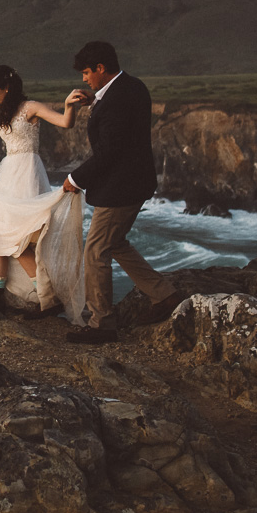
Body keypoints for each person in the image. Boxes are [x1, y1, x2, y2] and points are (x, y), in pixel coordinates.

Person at [0, 64, 90, 320]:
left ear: (7, 87)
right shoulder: (5, 111)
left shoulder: (30, 107)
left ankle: (49, 298)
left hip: (27, 174)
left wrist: (68, 105)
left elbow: (66, 123)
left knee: (18, 240)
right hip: (8, 174)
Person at [60, 41, 182, 343]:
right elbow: (119, 121)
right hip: (134, 181)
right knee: (115, 243)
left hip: (121, 185)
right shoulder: (133, 87)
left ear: (101, 68)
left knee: (96, 249)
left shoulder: (115, 100)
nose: (84, 80)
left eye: (87, 73)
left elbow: (110, 152)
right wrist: (96, 100)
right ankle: (164, 295)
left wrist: (75, 179)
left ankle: (102, 324)